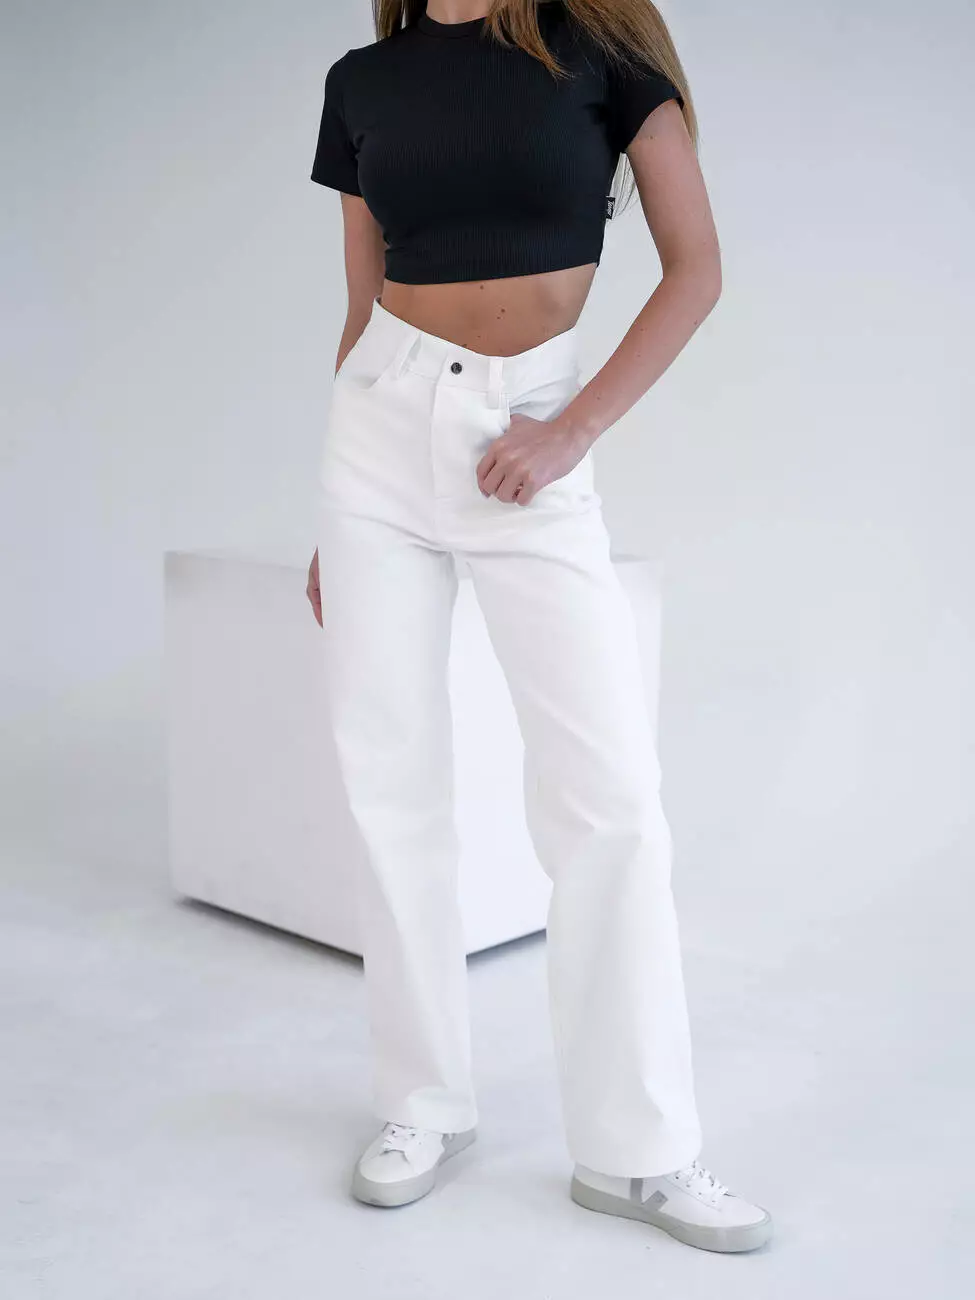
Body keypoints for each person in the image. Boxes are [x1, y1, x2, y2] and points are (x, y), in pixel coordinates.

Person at [306, 0, 772, 1254]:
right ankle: (422, 1104)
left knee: (608, 799)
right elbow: (361, 304)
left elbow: (697, 268)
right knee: (390, 784)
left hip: (529, 431)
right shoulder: (360, 80)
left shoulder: (601, 55)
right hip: (374, 442)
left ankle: (638, 1150)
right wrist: (332, 517)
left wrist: (572, 431)